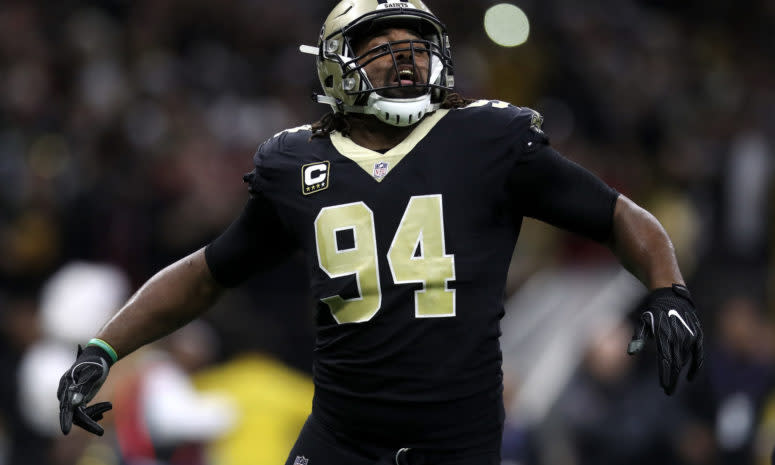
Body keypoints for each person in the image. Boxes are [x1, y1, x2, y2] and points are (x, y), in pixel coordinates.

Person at [57, 1, 704, 464]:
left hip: (457, 441)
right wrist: (104, 348)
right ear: (338, 64)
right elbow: (207, 273)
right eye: (383, 47)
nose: (405, 61)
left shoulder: (487, 140)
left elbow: (616, 213)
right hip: (342, 437)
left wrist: (667, 289)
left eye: (416, 46)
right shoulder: (292, 164)